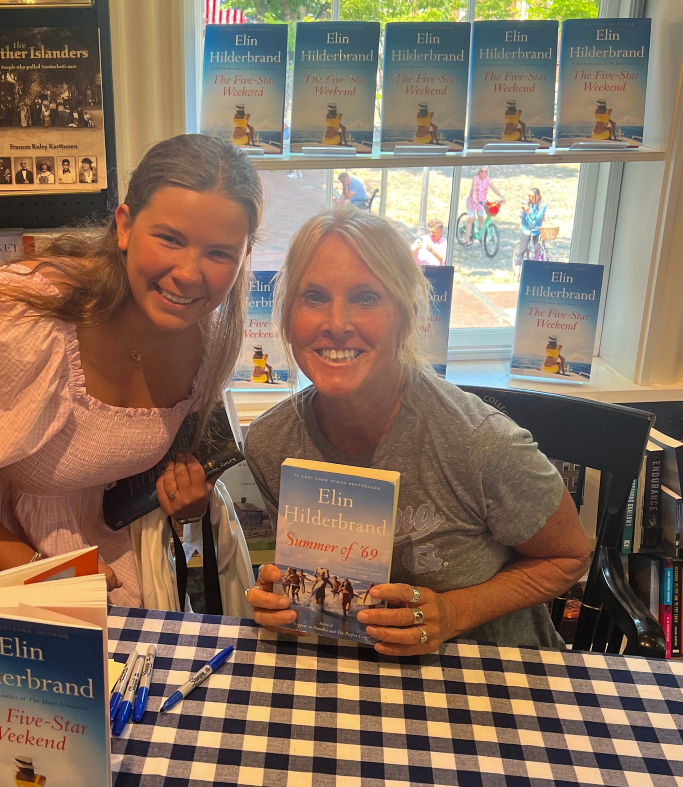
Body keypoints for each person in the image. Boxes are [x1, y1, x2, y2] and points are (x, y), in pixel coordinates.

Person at [0, 134, 264, 728]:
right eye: (169, 238)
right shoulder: (28, 326)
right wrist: (39, 574)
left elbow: (152, 452)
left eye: (221, 252)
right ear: (124, 226)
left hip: (91, 544)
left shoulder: (215, 337)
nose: (190, 273)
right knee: (6, 747)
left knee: (108, 735)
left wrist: (185, 498)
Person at [244, 207, 590, 655]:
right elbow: (324, 595)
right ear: (288, 317)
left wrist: (453, 612)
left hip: (493, 674)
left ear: (406, 317)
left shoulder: (479, 442)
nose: (336, 323)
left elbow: (569, 557)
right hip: (358, 669)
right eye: (313, 296)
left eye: (366, 297)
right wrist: (288, 607)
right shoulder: (273, 446)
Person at [513, 188, 547, 277]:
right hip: (526, 229)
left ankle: (533, 270)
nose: (531, 198)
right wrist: (523, 210)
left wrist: (529, 211)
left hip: (536, 230)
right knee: (522, 249)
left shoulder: (543, 205)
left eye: (533, 196)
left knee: (537, 250)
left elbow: (537, 218)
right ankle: (517, 270)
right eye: (530, 197)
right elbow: (521, 216)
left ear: (538, 196)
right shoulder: (527, 203)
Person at [464, 166, 504, 240]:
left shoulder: (488, 180)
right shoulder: (475, 178)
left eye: (485, 172)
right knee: (471, 219)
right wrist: (475, 198)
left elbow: (495, 189)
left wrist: (502, 196)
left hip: (481, 202)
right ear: (479, 171)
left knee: (482, 220)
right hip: (473, 201)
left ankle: (482, 240)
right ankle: (467, 239)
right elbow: (474, 190)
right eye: (482, 171)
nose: (483, 173)